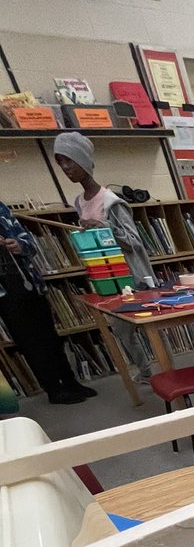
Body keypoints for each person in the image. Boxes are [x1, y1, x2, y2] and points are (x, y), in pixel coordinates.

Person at [53, 132, 154, 375]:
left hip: (132, 277)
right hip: (105, 276)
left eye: (69, 160)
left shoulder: (112, 202)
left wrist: (105, 229)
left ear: (84, 161)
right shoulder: (79, 202)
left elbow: (135, 243)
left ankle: (168, 373)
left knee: (151, 326)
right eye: (60, 161)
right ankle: (146, 371)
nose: (65, 167)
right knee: (121, 330)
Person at [0, 200, 95, 404]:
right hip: (5, 292)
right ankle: (54, 389)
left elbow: (29, 243)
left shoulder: (1, 208)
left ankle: (70, 382)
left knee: (51, 336)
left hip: (29, 281)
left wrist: (19, 245)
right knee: (30, 342)